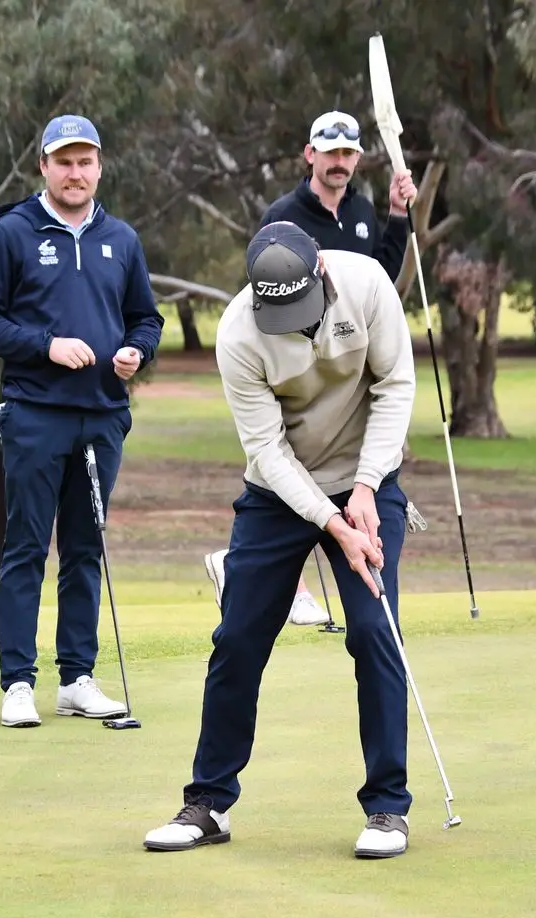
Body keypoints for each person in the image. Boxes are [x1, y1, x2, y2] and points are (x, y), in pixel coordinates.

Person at [146, 221, 419, 859]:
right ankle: (208, 803)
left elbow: (395, 386)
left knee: (375, 632)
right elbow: (267, 452)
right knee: (239, 637)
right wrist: (331, 523)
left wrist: (368, 488)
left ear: (320, 269)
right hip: (279, 494)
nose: (294, 325)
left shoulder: (368, 285)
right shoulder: (240, 334)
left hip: (366, 479)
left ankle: (387, 810)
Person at [0, 114, 164, 727]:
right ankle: (17, 683)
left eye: (85, 162)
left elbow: (145, 319)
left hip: (102, 416)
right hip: (35, 413)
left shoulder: (121, 239)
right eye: (64, 162)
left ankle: (77, 678)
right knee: (26, 548)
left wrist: (137, 352)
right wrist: (46, 345)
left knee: (84, 550)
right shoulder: (13, 234)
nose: (75, 173)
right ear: (43, 167)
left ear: (99, 167)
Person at [202, 110, 419, 626]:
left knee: (373, 625)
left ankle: (262, 572)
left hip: (350, 350)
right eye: (331, 152)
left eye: (349, 154)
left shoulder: (363, 211)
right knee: (288, 484)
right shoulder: (283, 214)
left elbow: (382, 276)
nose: (340, 162)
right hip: (295, 363)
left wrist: (397, 216)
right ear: (311, 154)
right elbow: (271, 292)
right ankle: (268, 575)